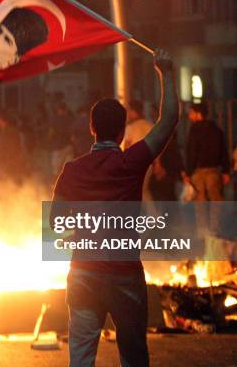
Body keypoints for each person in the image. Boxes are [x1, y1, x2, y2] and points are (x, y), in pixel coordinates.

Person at [52, 49, 179, 367]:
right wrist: (165, 72)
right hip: (124, 276)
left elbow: (54, 225)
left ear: (92, 128)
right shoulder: (130, 162)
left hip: (82, 274)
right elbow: (169, 120)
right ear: (123, 131)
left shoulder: (72, 170)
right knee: (134, 356)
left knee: (81, 358)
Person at [184, 103, 230, 234]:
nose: (190, 115)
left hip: (198, 172)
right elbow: (223, 151)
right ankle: (215, 230)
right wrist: (226, 171)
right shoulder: (217, 130)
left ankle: (203, 232)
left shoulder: (194, 130)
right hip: (214, 171)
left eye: (192, 112)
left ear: (199, 114)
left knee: (200, 203)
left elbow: (191, 152)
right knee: (216, 202)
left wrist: (188, 172)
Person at [123, 99, 154, 201]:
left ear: (132, 111)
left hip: (134, 164)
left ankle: (152, 216)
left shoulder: (131, 127)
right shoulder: (150, 126)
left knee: (139, 192)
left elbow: (126, 147)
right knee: (143, 191)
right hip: (148, 163)